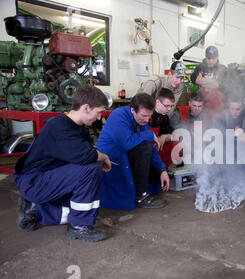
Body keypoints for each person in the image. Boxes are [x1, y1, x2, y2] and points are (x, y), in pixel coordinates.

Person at [13, 85, 111, 242]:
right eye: (98, 112)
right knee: (91, 167)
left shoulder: (80, 129)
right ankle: (79, 226)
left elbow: (84, 154)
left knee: (79, 208)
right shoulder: (58, 126)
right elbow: (87, 155)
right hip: (34, 181)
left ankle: (35, 211)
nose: (99, 117)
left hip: (52, 178)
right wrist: (103, 156)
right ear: (86, 107)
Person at [96, 93, 170, 211]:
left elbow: (150, 146)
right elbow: (126, 143)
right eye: (144, 116)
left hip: (125, 156)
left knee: (154, 166)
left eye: (149, 116)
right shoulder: (118, 116)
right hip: (110, 161)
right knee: (143, 147)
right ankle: (141, 196)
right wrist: (150, 134)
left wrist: (162, 169)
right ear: (132, 110)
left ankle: (142, 190)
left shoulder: (142, 122)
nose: (146, 120)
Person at [214, 93, 245, 200]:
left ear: (243, 107)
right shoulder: (223, 116)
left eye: (238, 109)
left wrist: (243, 135)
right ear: (228, 106)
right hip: (227, 148)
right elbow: (216, 134)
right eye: (232, 108)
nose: (235, 112)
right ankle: (223, 183)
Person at [190, 45, 228, 124]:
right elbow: (194, 79)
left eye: (213, 58)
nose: (210, 61)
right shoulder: (199, 67)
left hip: (217, 107)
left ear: (217, 57)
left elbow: (218, 85)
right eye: (208, 58)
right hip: (201, 106)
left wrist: (202, 80)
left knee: (217, 127)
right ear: (205, 57)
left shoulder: (223, 69)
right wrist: (212, 82)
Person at [149, 88, 178, 168]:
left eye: (171, 106)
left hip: (157, 151)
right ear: (157, 102)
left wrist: (164, 137)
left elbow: (173, 134)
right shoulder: (147, 114)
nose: (169, 109)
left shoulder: (164, 117)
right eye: (166, 106)